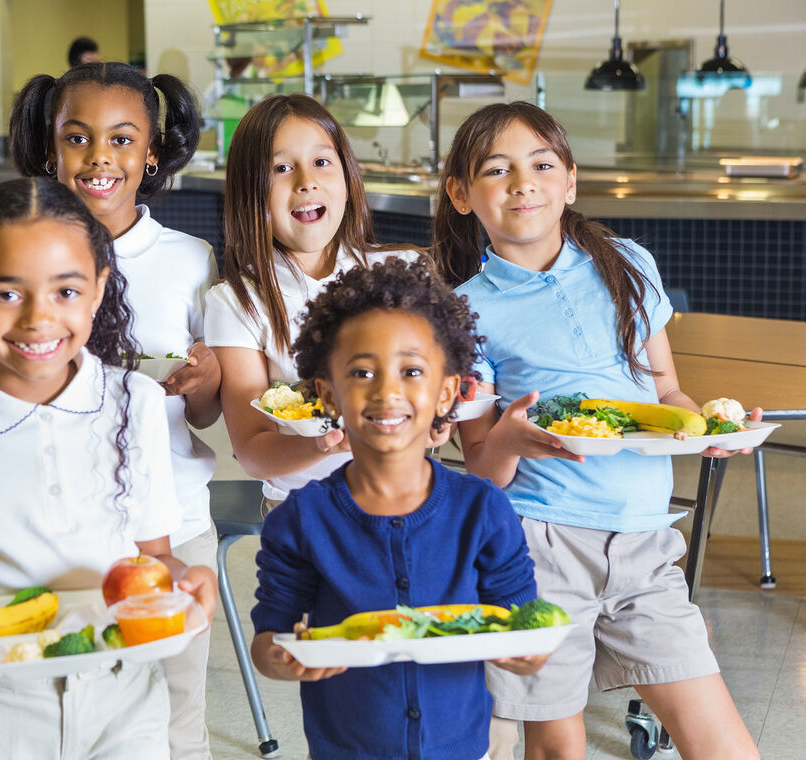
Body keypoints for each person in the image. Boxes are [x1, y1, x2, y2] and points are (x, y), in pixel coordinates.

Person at [435, 101, 761, 760]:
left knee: (726, 748)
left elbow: (665, 392)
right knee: (560, 749)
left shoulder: (627, 262)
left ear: (571, 181)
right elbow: (482, 473)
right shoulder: (465, 310)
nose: (522, 183)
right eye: (497, 170)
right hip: (538, 547)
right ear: (462, 194)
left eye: (540, 164)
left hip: (646, 546)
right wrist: (512, 437)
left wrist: (710, 428)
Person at [0, 177, 219, 760]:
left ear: (100, 288)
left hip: (122, 695)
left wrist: (184, 579)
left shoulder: (135, 401)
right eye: (6, 293)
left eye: (66, 291)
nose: (38, 318)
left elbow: (153, 558)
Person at [250, 257, 545, 760]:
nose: (388, 391)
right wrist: (285, 657)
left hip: (462, 748)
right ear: (328, 395)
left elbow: (526, 621)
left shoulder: (483, 510)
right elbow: (269, 640)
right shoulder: (299, 521)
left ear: (446, 392)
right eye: (362, 372)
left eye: (411, 371)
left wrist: (527, 652)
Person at [9, 62, 220, 759]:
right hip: (55, 531)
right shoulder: (22, 253)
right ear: (50, 150)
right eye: (77, 138)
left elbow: (207, 414)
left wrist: (206, 381)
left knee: (177, 722)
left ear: (152, 153)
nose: (100, 156)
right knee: (59, 721)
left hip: (175, 522)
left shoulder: (190, 260)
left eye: (123, 139)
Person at [204, 94, 431, 507]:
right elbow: (253, 452)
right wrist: (331, 444)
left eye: (322, 162)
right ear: (249, 192)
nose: (306, 181)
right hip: (303, 511)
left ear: (348, 176)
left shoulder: (404, 268)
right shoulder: (236, 300)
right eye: (281, 168)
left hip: (409, 500)